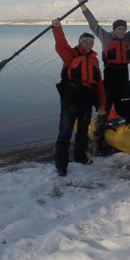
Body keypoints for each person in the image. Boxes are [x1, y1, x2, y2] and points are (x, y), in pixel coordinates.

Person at [78, 0, 130, 154]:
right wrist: (82, 3)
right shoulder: (106, 37)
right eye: (119, 28)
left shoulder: (128, 38)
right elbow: (93, 24)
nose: (122, 31)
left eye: (123, 29)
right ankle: (98, 143)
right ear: (114, 29)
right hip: (110, 80)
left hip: (124, 79)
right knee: (104, 109)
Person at [52, 18, 106, 177]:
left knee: (82, 132)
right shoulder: (70, 56)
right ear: (81, 43)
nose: (89, 45)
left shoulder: (95, 61)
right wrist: (57, 28)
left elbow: (99, 85)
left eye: (91, 43)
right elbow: (61, 45)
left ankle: (80, 157)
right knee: (65, 133)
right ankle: (61, 165)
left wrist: (102, 104)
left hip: (87, 100)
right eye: (86, 42)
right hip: (71, 99)